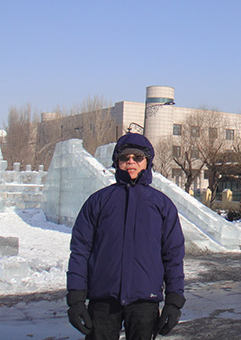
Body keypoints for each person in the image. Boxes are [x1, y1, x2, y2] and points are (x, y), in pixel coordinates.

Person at [66, 132, 185, 339]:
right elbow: (80, 251)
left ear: (147, 162)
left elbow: (173, 255)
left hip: (144, 301)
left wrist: (174, 301)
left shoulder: (161, 205)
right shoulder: (98, 202)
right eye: (124, 157)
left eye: (137, 157)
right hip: (103, 301)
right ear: (117, 162)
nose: (131, 162)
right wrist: (76, 299)